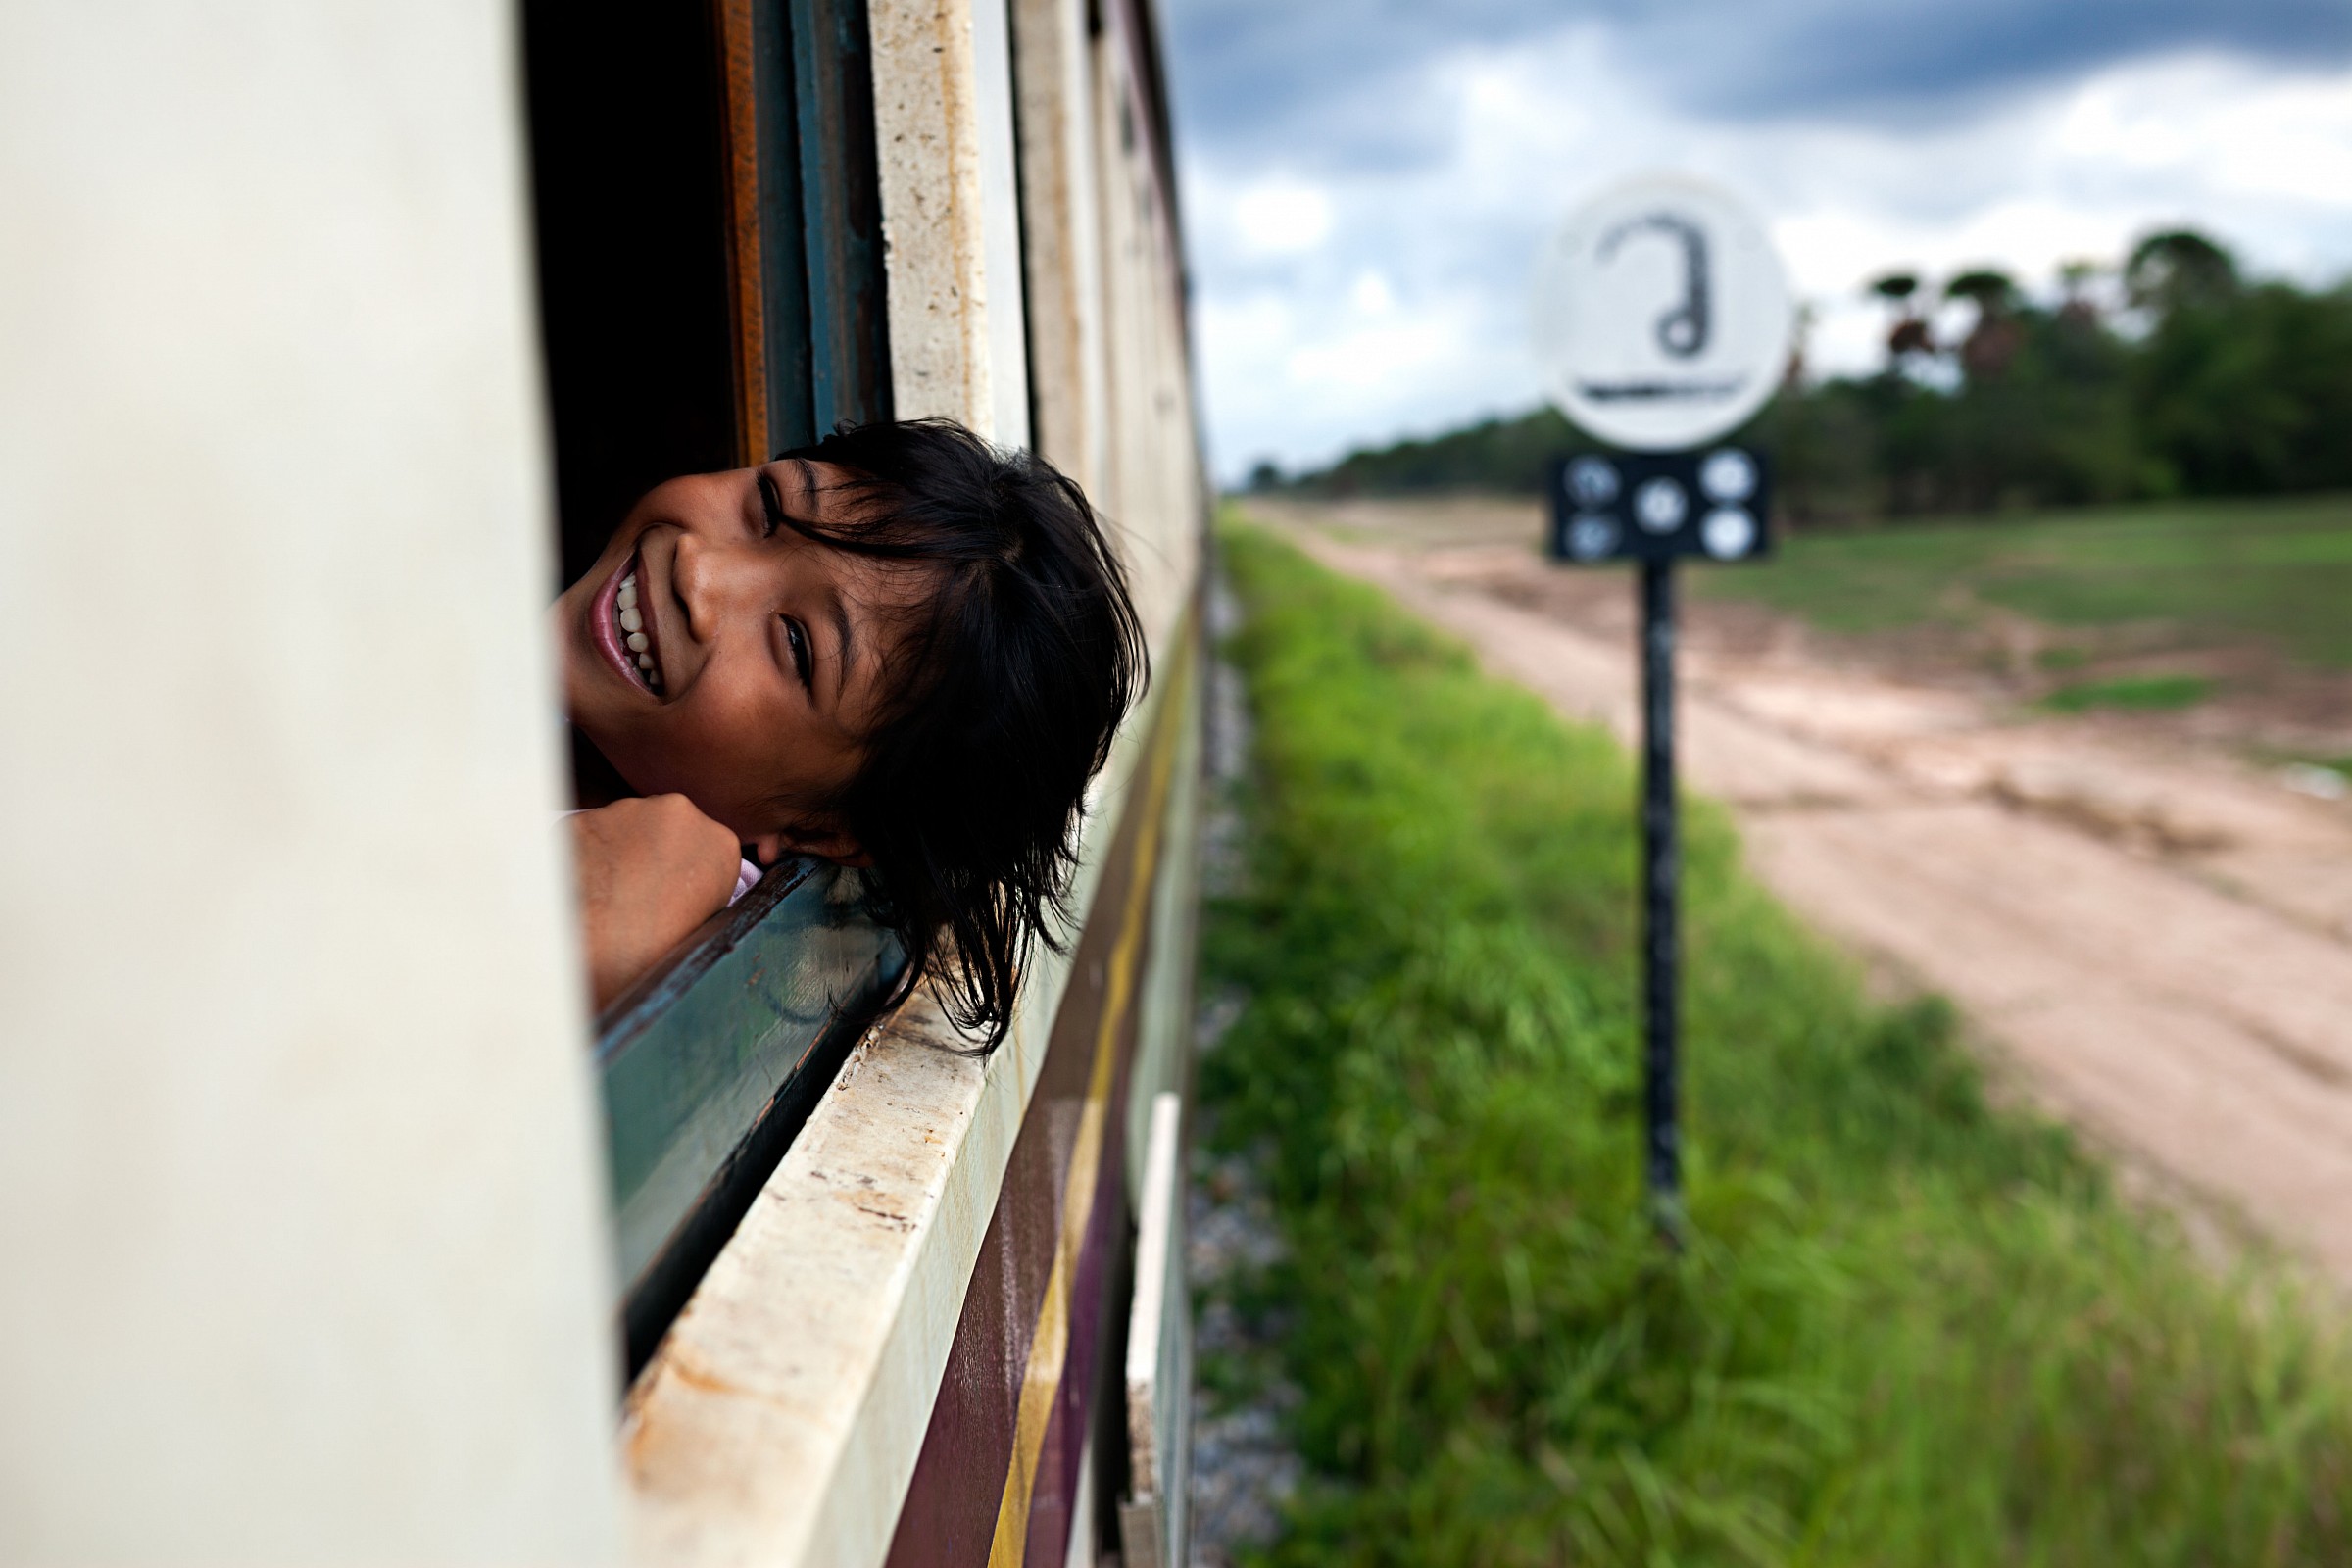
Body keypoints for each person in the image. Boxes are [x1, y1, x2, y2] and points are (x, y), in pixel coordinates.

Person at [552, 417, 1145, 1044]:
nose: (697, 572)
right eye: (768, 507)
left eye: (796, 646)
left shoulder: (663, 908)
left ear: (822, 829)